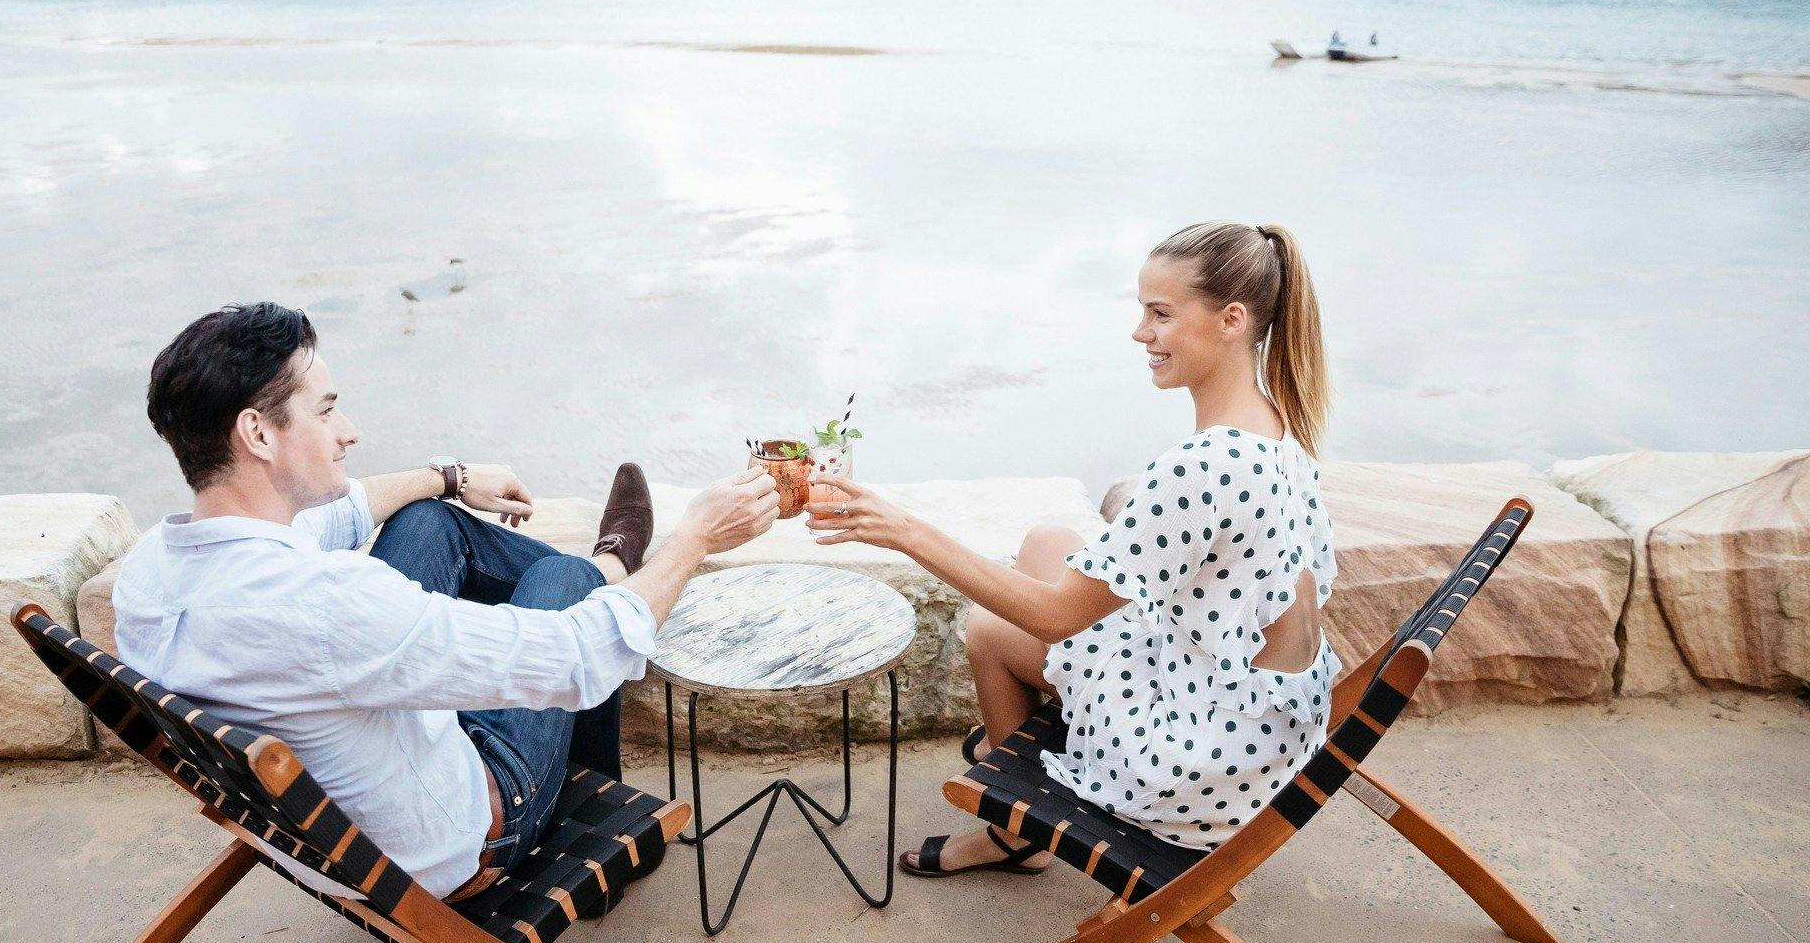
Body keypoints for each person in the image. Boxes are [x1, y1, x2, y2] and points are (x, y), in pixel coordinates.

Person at [110, 302, 778, 900]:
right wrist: (694, 538)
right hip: (461, 834)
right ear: (257, 434)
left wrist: (449, 478)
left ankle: (610, 569)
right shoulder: (327, 604)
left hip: (337, 818)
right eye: (325, 410)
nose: (349, 431)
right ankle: (608, 570)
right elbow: (576, 659)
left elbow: (338, 516)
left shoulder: (151, 573)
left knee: (427, 519)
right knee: (565, 587)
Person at [808, 223, 1336, 875]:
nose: (1140, 333)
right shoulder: (1279, 423)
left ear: (1231, 320)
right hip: (1261, 726)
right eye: (1142, 310)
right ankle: (1023, 736)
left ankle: (1013, 836)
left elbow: (1054, 619)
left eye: (1161, 314)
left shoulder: (1206, 466)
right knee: (1048, 541)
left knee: (991, 631)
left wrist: (903, 530)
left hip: (1200, 765)